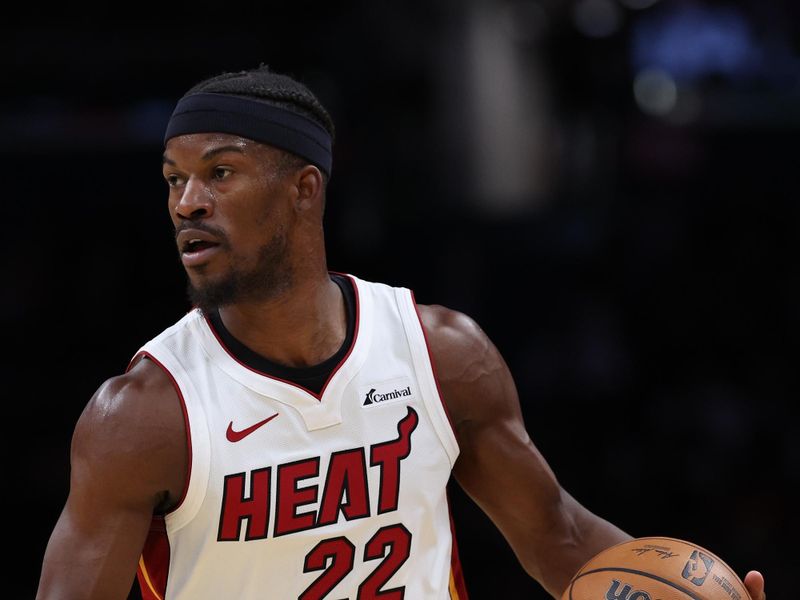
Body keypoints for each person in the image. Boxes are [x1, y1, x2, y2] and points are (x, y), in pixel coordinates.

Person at [35, 66, 766, 600]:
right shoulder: (144, 416)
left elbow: (561, 540)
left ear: (303, 189)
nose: (188, 202)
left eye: (219, 172)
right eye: (173, 180)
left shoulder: (442, 355)